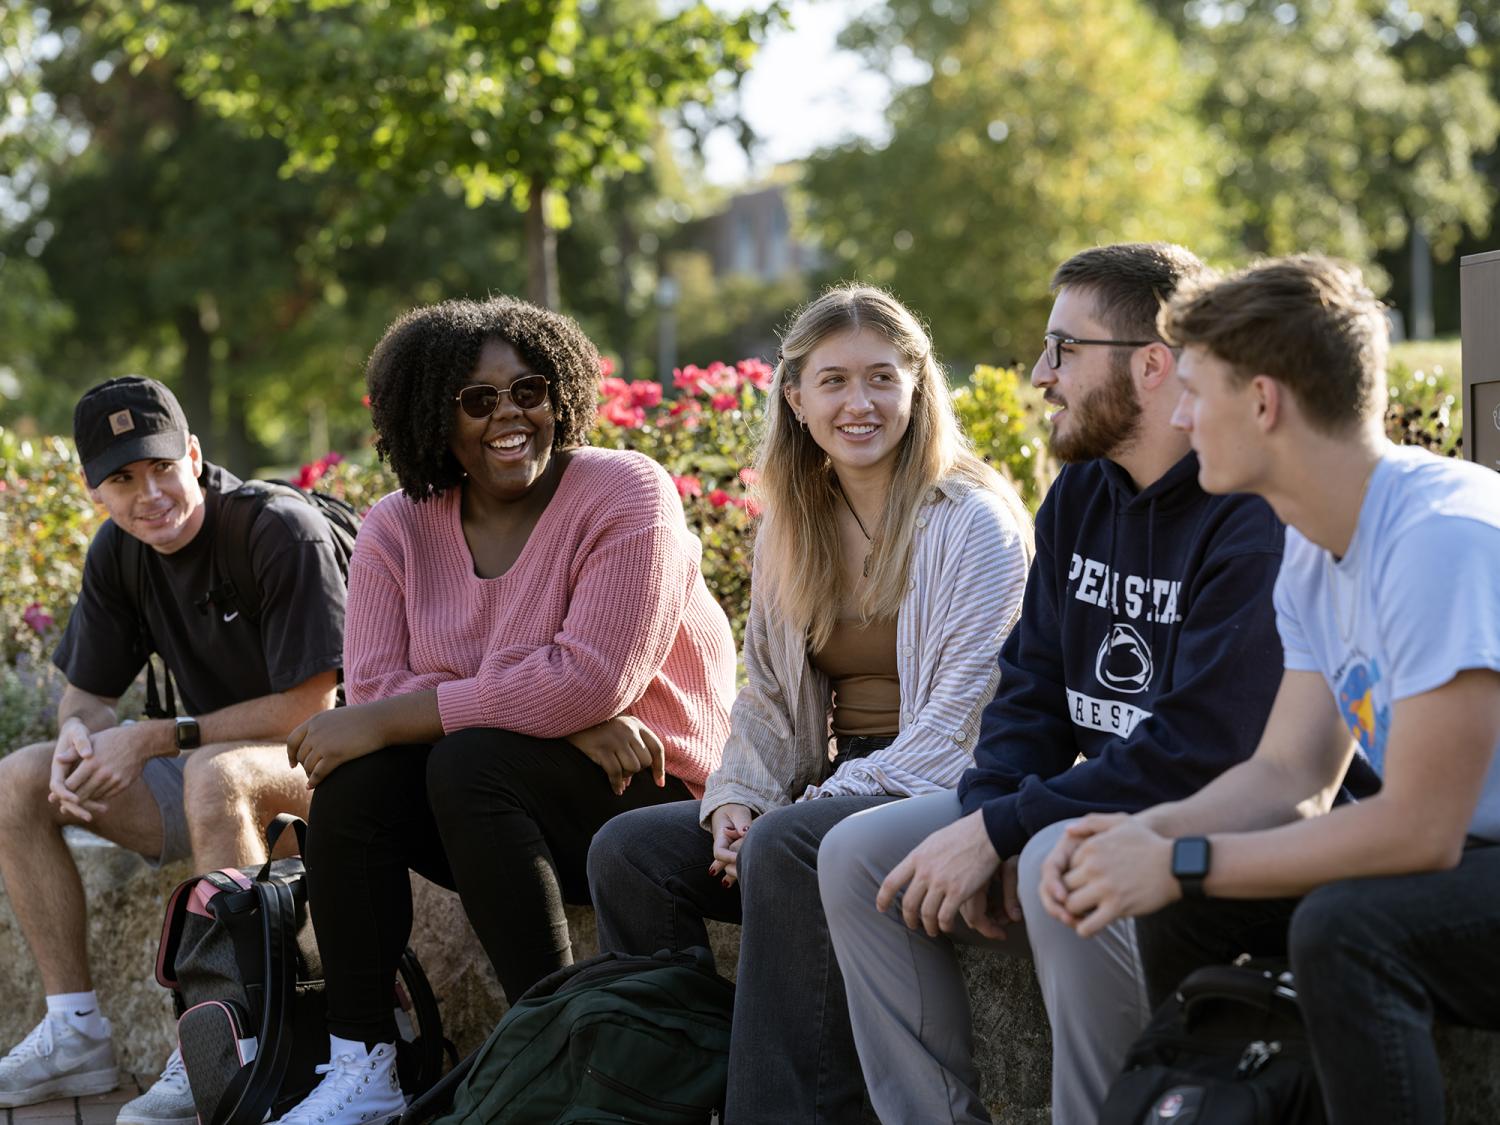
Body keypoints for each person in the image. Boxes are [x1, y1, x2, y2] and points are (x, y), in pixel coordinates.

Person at [817, 243, 1297, 1124]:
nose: (1040, 375)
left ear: (1152, 364)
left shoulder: (1249, 515)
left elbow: (1203, 749)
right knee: (856, 855)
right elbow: (1028, 689)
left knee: (1055, 860)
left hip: (1215, 826)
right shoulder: (1080, 495)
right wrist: (985, 814)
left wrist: (1009, 825)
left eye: (1063, 350)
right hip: (1091, 801)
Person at [1040, 255, 1500, 1125]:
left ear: (1262, 402)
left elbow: (1423, 830)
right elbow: (1292, 774)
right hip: (1470, 855)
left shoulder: (1438, 537)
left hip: (1467, 854)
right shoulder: (1313, 542)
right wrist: (1148, 834)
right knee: (1191, 903)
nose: (1177, 414)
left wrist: (1179, 856)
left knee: (1345, 928)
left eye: (1195, 390)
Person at [271, 296, 737, 1125]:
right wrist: (549, 701)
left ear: (561, 396)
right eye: (476, 400)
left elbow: (589, 677)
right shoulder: (395, 527)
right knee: (358, 783)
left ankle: (556, 1045)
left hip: (660, 795)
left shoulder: (627, 493)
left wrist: (559, 699)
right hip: (508, 793)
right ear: (432, 414)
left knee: (466, 756)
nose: (508, 416)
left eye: (528, 389)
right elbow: (379, 696)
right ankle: (364, 1063)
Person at [586, 284, 1034, 1124]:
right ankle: (678, 1094)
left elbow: (966, 720)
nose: (857, 403)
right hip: (840, 780)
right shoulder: (793, 523)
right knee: (631, 853)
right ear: (795, 397)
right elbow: (767, 700)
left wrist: (813, 805)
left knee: (789, 846)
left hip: (956, 785)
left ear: (917, 386)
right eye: (832, 381)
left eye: (880, 379)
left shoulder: (972, 520)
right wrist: (737, 800)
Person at [0, 376, 346, 1124]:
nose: (148, 493)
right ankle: (75, 1031)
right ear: (96, 491)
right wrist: (74, 737)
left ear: (192, 454)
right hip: (218, 776)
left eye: (161, 466)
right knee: (18, 778)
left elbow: (312, 704)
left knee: (213, 775)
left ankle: (235, 1042)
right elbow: (87, 696)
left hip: (338, 771)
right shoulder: (120, 552)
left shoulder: (275, 528)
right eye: (122, 479)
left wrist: (159, 735)